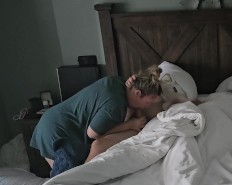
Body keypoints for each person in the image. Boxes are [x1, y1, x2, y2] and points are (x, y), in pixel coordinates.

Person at [30, 65, 163, 177]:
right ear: (138, 93)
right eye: (150, 101)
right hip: (59, 132)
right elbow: (92, 134)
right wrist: (128, 125)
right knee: (67, 181)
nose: (150, 105)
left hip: (50, 121)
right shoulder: (115, 106)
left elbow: (137, 111)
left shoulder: (117, 83)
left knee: (63, 181)